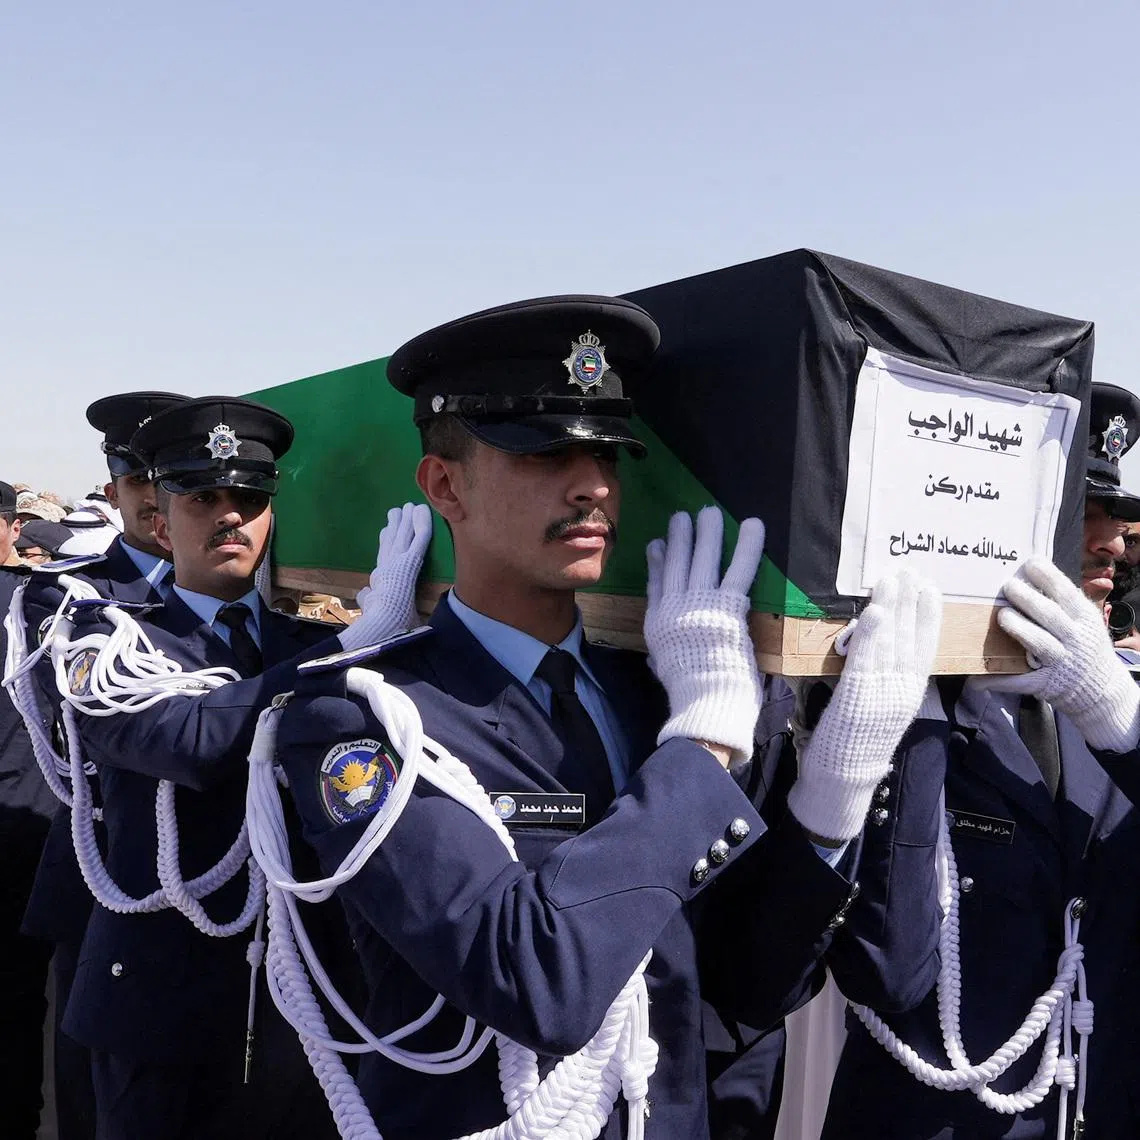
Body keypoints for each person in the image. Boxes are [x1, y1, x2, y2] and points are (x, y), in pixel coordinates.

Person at [264, 295, 943, 1140]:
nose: (592, 485)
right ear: (445, 484)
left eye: (608, 456)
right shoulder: (361, 720)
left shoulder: (671, 690)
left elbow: (750, 987)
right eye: (545, 451)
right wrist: (702, 746)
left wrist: (836, 791)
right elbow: (536, 984)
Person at [21, 394, 430, 1140]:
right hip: (158, 1009)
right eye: (202, 496)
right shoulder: (98, 635)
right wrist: (362, 639)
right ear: (158, 516)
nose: (229, 516)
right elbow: (182, 738)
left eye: (248, 497)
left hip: (304, 1007)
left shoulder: (302, 640)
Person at [820, 381, 1140, 1139]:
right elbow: (889, 968)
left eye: (1116, 520)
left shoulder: (1121, 704)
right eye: (1083, 515)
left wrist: (1120, 723)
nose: (1113, 544)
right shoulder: (889, 708)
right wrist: (916, 717)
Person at [17, 391, 189, 1140]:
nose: (156, 499)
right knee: (95, 1092)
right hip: (106, 876)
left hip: (216, 887)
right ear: (114, 487)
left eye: (173, 480)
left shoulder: (251, 592)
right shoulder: (66, 598)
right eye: (141, 480)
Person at [0, 478, 59, 1138]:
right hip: (24, 824)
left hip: (21, 827)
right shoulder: (41, 607)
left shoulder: (40, 605)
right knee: (16, 1003)